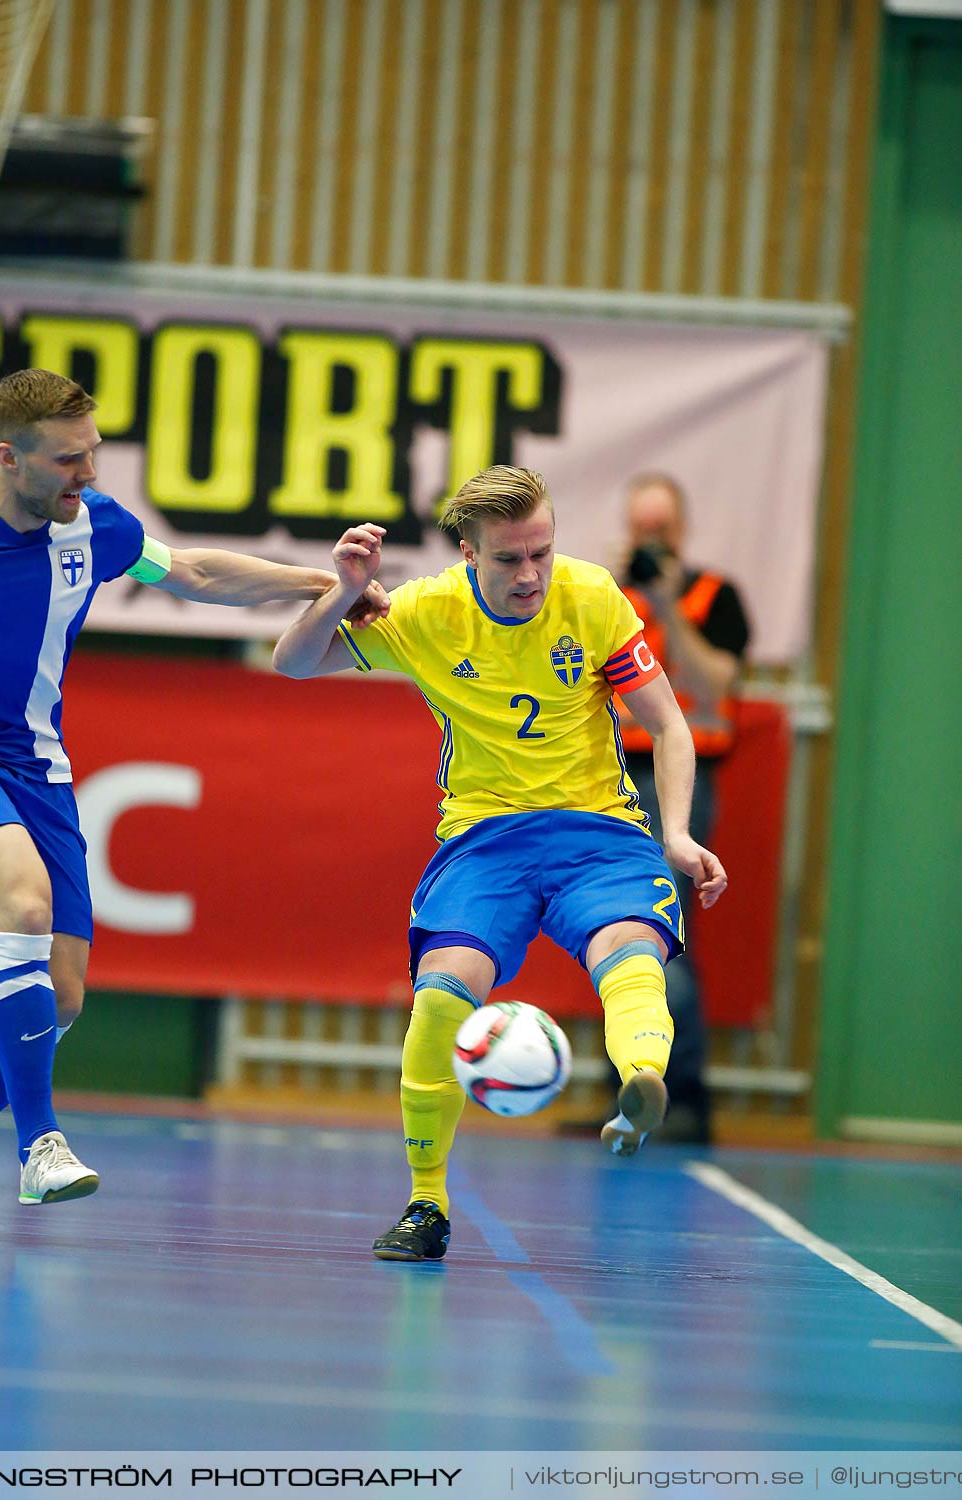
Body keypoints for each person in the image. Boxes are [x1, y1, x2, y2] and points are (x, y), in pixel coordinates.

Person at [0, 368, 387, 1234]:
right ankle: (40, 1146)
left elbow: (194, 571)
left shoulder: (93, 528)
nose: (88, 474)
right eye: (68, 460)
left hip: (36, 764)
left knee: (65, 992)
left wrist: (324, 585)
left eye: (95, 453)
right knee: (25, 905)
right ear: (7, 457)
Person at [272, 464, 727, 1262]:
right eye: (510, 559)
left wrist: (678, 833)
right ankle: (426, 1204)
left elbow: (671, 724)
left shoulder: (590, 598)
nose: (531, 576)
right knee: (441, 995)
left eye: (542, 554)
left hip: (601, 831)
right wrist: (344, 591)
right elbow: (294, 661)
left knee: (630, 952)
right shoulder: (425, 611)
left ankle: (640, 1086)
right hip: (486, 840)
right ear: (466, 551)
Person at [615, 472, 750, 1144]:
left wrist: (668, 609)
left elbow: (713, 682)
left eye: (660, 530)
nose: (650, 542)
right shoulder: (606, 598)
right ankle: (633, 1091)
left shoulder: (713, 597)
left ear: (681, 530)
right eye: (641, 531)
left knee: (661, 931)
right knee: (615, 931)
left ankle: (683, 1096)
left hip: (679, 780)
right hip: (609, 778)